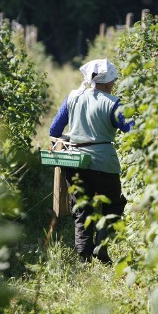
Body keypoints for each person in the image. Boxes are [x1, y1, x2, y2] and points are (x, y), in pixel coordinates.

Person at [49, 59, 133, 264]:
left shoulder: (73, 97)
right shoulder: (113, 103)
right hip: (105, 163)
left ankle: (84, 256)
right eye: (113, 80)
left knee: (81, 208)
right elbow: (131, 128)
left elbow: (54, 131)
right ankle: (101, 246)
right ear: (107, 81)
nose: (114, 83)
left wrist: (73, 136)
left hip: (76, 162)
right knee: (113, 205)